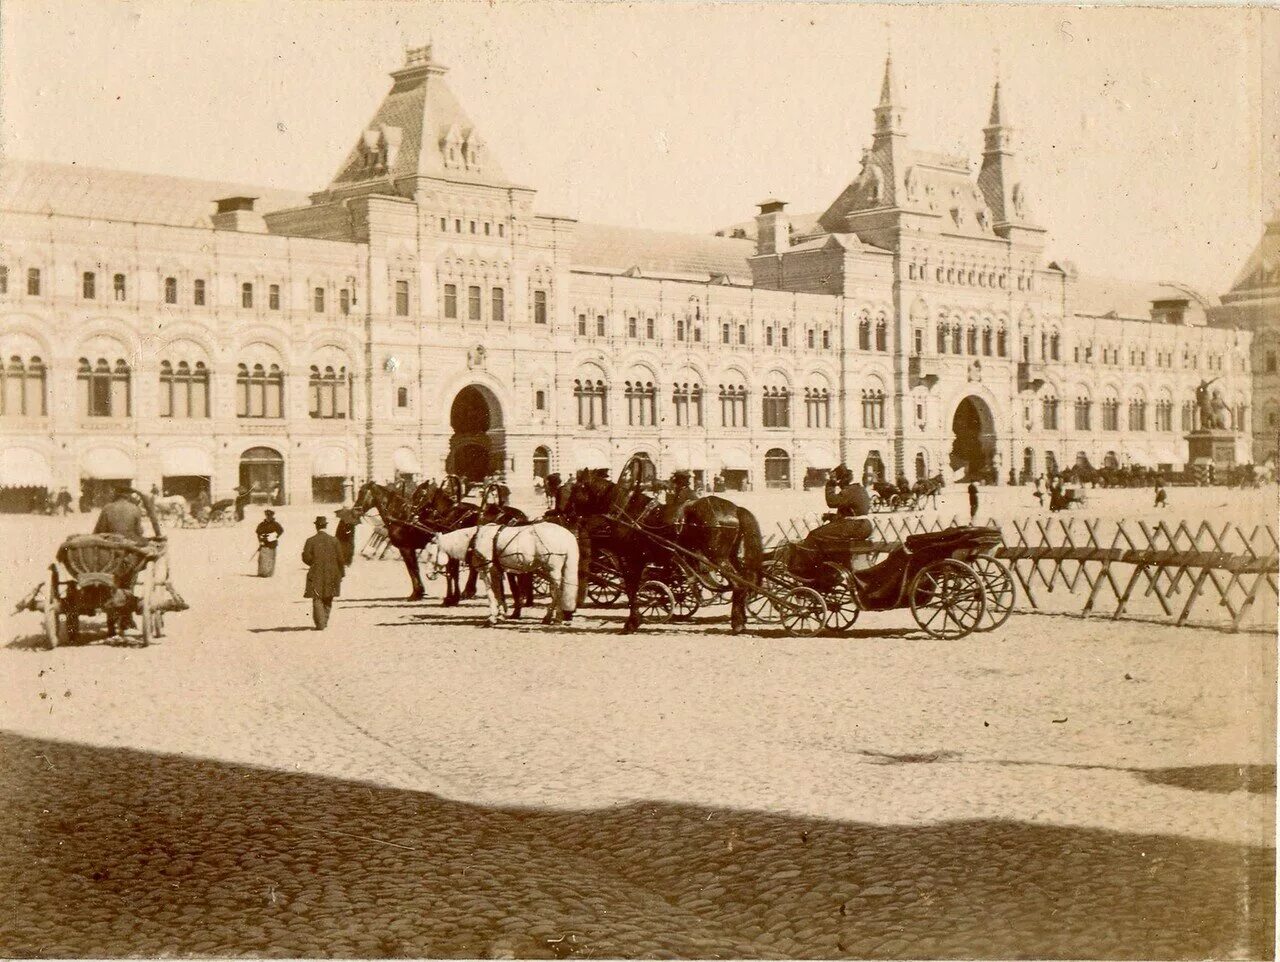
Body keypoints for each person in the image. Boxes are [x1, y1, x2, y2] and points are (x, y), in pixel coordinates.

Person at [302, 516, 345, 630]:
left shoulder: (310, 540)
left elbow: (306, 557)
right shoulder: (334, 540)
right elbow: (341, 559)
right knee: (328, 597)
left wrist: (314, 562)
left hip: (316, 572)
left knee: (317, 597)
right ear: (326, 526)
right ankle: (324, 620)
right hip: (333, 572)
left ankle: (320, 623)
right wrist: (341, 573)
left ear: (316, 526)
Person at [255, 510, 283, 577]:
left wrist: (274, 537)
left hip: (272, 544)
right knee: (262, 559)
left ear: (272, 516)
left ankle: (268, 573)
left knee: (270, 558)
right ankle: (262, 572)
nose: (268, 517)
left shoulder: (276, 524)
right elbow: (258, 533)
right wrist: (260, 540)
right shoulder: (262, 524)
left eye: (270, 516)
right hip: (264, 544)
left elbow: (280, 531)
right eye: (267, 515)